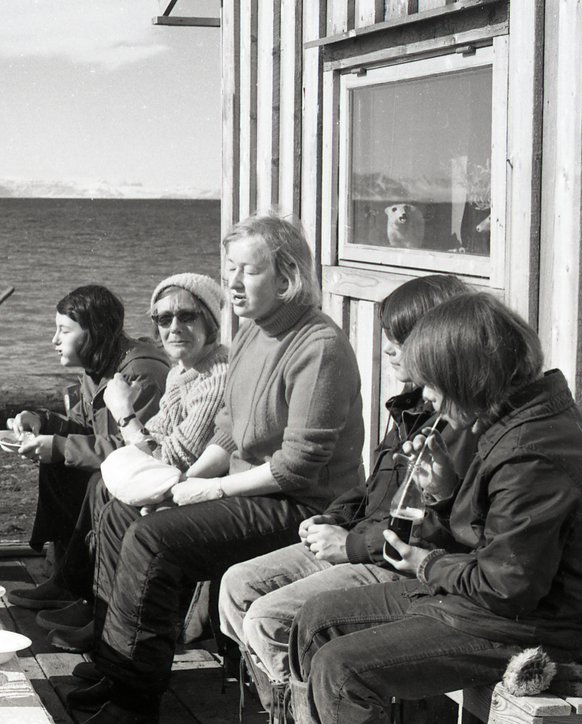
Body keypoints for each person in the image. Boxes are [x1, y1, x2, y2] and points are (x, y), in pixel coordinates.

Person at [285, 293, 582, 724]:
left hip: (533, 626)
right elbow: (497, 543)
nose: (427, 397)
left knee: (342, 669)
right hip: (493, 607)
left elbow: (508, 587)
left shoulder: (533, 453)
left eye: (434, 383)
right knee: (316, 618)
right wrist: (446, 491)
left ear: (470, 377)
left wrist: (427, 564)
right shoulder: (514, 423)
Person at [77, 214, 366, 724]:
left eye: (246, 271)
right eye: (229, 268)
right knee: (126, 513)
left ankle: (134, 702)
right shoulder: (256, 333)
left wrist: (211, 493)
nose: (231, 282)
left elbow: (300, 466)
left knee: (155, 540)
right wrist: (187, 483)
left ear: (287, 277)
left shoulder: (318, 347)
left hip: (303, 506)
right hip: (248, 490)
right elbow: (231, 427)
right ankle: (114, 664)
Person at [215, 274, 474, 722]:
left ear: (438, 341)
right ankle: (288, 708)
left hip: (395, 564)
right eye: (387, 337)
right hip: (362, 540)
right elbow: (376, 486)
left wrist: (350, 545)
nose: (389, 349)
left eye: (401, 339)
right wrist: (334, 517)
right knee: (237, 586)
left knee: (269, 618)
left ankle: (299, 710)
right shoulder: (412, 408)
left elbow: (433, 533)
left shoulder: (458, 421)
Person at [18, 273, 231, 654]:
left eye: (187, 317)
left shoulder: (177, 374)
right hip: (172, 477)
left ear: (211, 321)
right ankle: (95, 607)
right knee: (90, 478)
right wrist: (44, 422)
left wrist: (123, 412)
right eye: (164, 320)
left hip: (200, 490)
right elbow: (148, 439)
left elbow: (166, 454)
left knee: (104, 489)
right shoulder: (183, 372)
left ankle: (101, 615)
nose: (173, 327)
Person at [4, 284, 169, 581]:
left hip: (147, 484)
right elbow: (83, 428)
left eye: (64, 331)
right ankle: (64, 576)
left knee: (75, 466)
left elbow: (138, 451)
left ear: (93, 333)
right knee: (56, 462)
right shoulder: (97, 365)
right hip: (117, 471)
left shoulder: (139, 374)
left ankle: (76, 583)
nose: (54, 340)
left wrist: (61, 447)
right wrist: (42, 421)